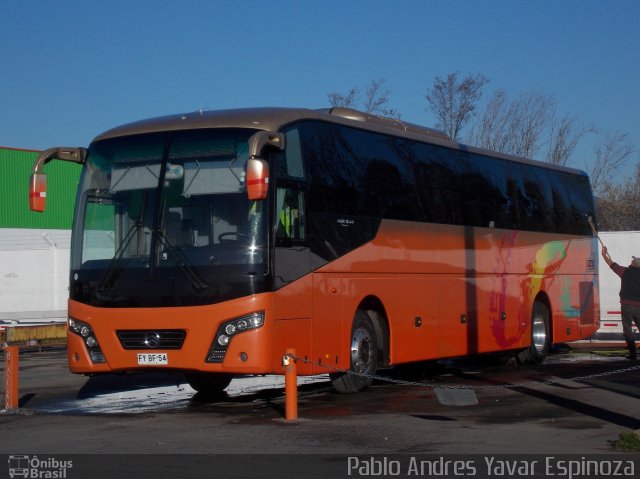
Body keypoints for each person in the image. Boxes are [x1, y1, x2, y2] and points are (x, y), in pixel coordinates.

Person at [601, 246, 640, 360]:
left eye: (633, 260)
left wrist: (604, 254)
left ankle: (632, 354)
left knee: (627, 329)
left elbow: (611, 264)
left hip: (626, 306)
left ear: (635, 264)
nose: (631, 260)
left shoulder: (624, 272)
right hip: (639, 306)